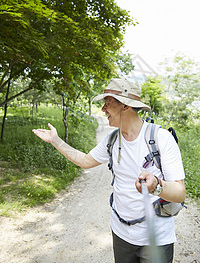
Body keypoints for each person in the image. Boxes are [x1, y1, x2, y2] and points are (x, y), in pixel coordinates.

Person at [32, 78, 186, 263]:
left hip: (156, 238)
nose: (103, 109)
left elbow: (180, 193)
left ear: (126, 106)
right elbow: (85, 161)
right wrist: (56, 141)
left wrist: (157, 186)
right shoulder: (111, 139)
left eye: (108, 103)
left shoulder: (161, 138)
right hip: (121, 233)